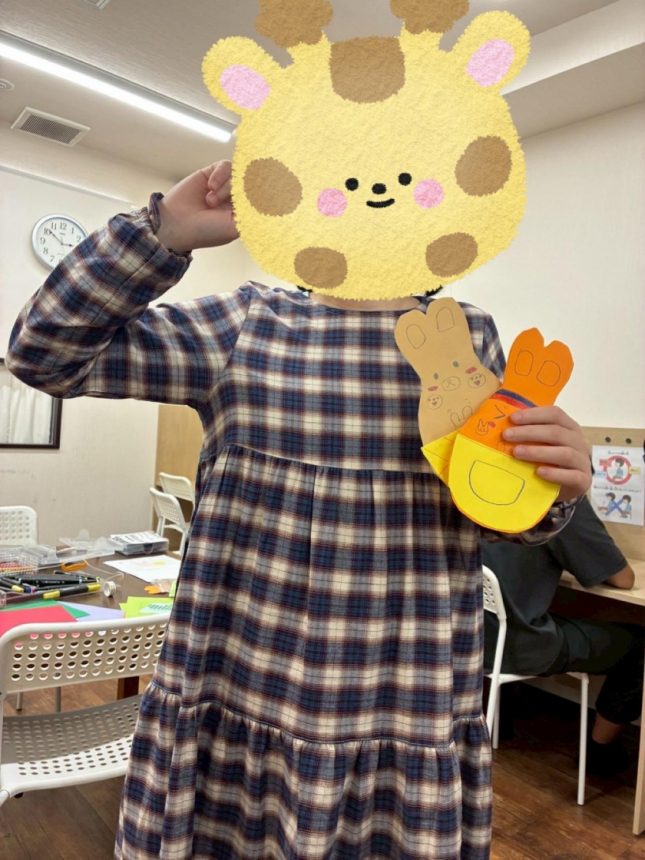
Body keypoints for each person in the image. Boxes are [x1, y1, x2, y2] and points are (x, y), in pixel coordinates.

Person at [6, 162, 592, 860]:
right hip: (240, 684)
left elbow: (495, 512)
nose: (376, 196)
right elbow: (42, 354)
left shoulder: (466, 339)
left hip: (403, 699)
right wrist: (163, 233)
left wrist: (555, 487)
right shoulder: (244, 324)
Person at [483, 496, 638, 776]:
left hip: (476, 639)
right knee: (638, 647)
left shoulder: (477, 492)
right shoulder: (558, 499)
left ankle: (503, 715)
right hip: (521, 646)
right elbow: (623, 578)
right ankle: (600, 753)